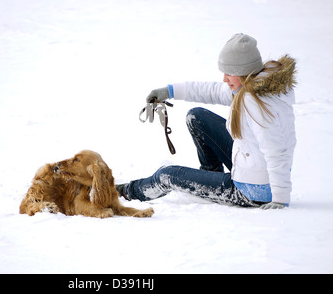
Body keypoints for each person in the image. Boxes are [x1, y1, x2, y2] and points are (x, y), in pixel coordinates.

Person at [117, 33, 297, 209]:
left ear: (243, 71)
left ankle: (126, 192)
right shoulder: (253, 86)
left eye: (230, 72)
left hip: (252, 190)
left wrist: (280, 198)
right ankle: (210, 176)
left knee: (167, 175)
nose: (224, 78)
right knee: (197, 118)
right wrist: (169, 91)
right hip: (252, 166)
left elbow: (277, 151)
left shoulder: (256, 102)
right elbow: (212, 91)